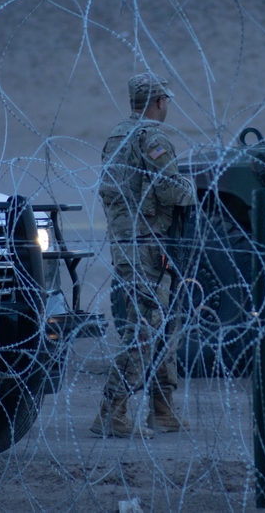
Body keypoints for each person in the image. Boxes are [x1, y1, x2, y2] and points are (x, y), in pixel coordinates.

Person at [91, 73, 195, 438]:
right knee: (146, 328)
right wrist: (192, 190)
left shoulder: (118, 135)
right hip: (147, 242)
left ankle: (162, 408)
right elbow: (168, 189)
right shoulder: (152, 137)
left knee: (162, 323)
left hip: (131, 242)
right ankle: (112, 410)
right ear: (160, 102)